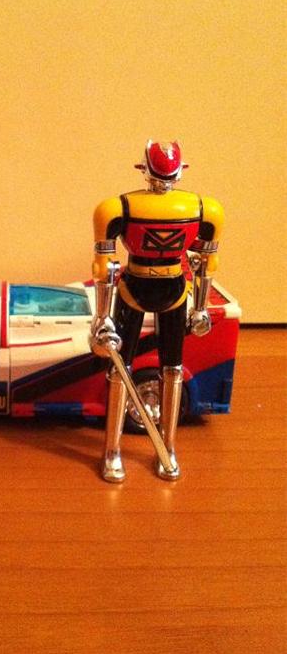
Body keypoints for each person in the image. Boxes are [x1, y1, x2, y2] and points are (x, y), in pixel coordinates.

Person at [90, 140, 224, 482]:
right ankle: (112, 450)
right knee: (121, 370)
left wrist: (201, 307)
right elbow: (105, 267)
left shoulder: (203, 209)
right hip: (133, 288)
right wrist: (102, 316)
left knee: (173, 369)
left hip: (174, 290)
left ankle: (168, 447)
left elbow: (206, 262)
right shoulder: (119, 208)